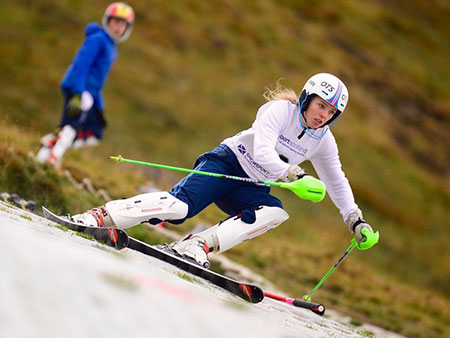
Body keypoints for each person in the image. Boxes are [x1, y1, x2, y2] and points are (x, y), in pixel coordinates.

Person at [71, 73, 375, 268]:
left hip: (251, 186)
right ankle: (100, 216)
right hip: (227, 163)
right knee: (179, 208)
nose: (324, 115)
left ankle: (197, 245)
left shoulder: (324, 141)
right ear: (307, 98)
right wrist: (291, 174)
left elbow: (337, 181)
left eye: (331, 112)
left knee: (276, 212)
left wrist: (354, 220)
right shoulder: (279, 111)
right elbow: (262, 152)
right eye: (321, 106)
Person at [36, 2, 135, 168]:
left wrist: (98, 105)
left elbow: (98, 81)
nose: (118, 27)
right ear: (107, 21)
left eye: (123, 24)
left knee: (95, 131)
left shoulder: (111, 48)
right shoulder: (97, 40)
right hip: (78, 89)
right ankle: (50, 159)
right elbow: (80, 65)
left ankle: (51, 143)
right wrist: (78, 93)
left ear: (127, 28)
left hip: (91, 94)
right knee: (72, 126)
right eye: (115, 22)